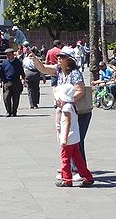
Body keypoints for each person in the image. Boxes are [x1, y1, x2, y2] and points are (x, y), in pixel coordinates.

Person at [31, 46, 92, 182]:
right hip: (66, 111)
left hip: (78, 112)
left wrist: (67, 101)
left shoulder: (75, 73)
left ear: (69, 60)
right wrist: (34, 58)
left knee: (77, 141)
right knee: (70, 141)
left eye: (62, 57)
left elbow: (80, 91)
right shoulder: (59, 70)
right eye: (58, 56)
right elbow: (43, 68)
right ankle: (73, 169)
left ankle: (78, 170)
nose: (59, 58)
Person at [53, 84, 94, 188]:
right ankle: (87, 176)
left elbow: (66, 123)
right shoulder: (72, 105)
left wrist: (64, 138)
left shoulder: (66, 108)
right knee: (77, 159)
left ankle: (67, 179)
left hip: (69, 138)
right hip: (75, 137)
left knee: (65, 159)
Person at [0, 48, 25, 117]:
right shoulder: (4, 62)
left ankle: (14, 111)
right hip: (7, 82)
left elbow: (21, 71)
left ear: (13, 54)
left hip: (16, 82)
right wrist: (1, 81)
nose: (7, 56)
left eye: (9, 54)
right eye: (7, 55)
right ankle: (8, 111)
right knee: (6, 97)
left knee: (16, 97)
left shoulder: (18, 62)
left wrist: (23, 78)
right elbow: (1, 73)